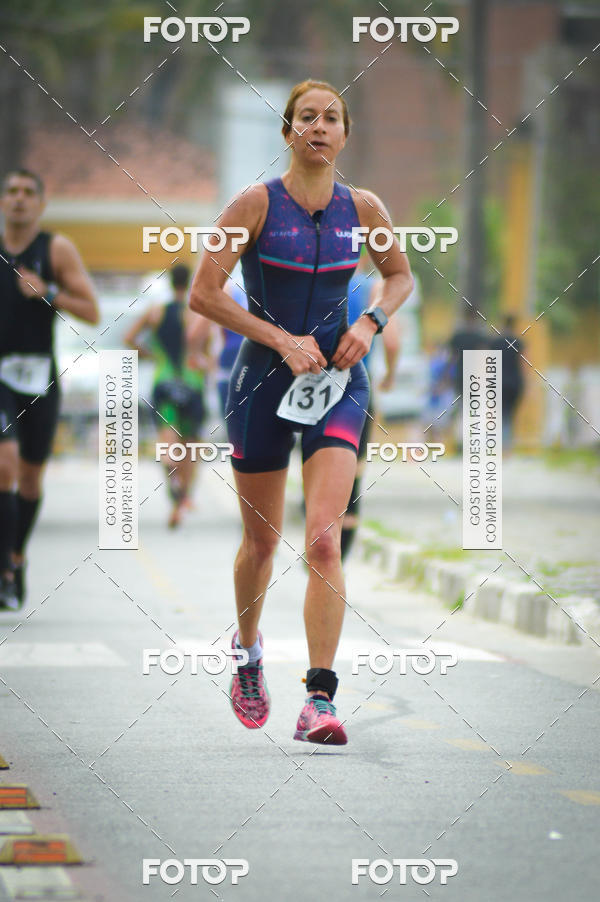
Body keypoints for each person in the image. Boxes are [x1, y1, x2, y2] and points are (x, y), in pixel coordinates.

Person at [190, 79, 413, 745]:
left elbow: (399, 275)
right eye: (306, 117)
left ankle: (319, 697)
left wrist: (370, 322)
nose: (319, 126)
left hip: (339, 384)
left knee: (322, 538)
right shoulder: (255, 204)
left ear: (346, 134)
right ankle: (249, 653)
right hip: (261, 384)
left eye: (332, 118)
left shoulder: (364, 207)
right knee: (261, 543)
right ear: (287, 132)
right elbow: (204, 295)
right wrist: (280, 340)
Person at [0, 169, 98, 610]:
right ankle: (4, 566)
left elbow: (92, 310)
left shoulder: (54, 249)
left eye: (28, 193)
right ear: (3, 201)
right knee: (5, 465)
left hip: (39, 378)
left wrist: (50, 291)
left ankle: (16, 556)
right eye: (12, 192)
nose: (19, 199)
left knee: (30, 480)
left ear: (39, 203)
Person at [125, 264, 212, 528]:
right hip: (192, 382)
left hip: (164, 382)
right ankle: (182, 499)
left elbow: (129, 338)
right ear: (190, 282)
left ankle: (171, 478)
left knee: (168, 443)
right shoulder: (199, 312)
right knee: (191, 445)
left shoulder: (154, 312)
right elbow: (205, 353)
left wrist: (152, 355)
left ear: (170, 282)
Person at [340, 263, 401, 560]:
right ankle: (337, 557)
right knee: (354, 473)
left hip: (312, 386)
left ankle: (316, 540)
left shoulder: (317, 281)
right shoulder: (373, 289)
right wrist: (389, 375)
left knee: (317, 464)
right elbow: (391, 340)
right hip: (356, 390)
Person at [489, 314, 524, 452]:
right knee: (509, 414)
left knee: (498, 413)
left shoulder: (494, 342)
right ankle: (507, 446)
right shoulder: (518, 342)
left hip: (497, 381)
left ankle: (499, 445)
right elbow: (524, 364)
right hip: (515, 382)